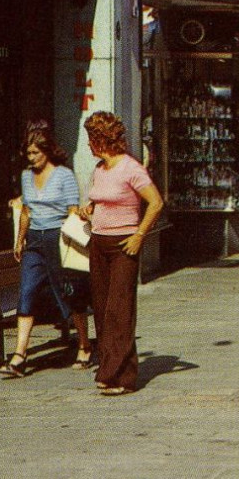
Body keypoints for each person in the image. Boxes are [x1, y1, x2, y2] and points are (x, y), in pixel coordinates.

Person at [80, 111, 163, 396]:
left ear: (101, 139)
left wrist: (139, 235)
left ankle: (121, 376)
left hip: (123, 245)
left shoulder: (130, 168)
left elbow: (155, 202)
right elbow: (97, 202)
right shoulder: (100, 170)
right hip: (98, 243)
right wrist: (88, 210)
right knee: (102, 311)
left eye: (91, 139)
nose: (89, 145)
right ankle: (112, 370)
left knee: (120, 310)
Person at [2, 126, 92, 378]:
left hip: (58, 237)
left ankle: (84, 344)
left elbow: (73, 211)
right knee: (27, 291)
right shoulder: (25, 176)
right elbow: (27, 212)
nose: (31, 158)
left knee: (69, 291)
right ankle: (20, 355)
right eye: (28, 153)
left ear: (47, 152)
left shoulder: (64, 176)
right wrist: (19, 241)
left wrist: (71, 238)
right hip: (35, 241)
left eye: (35, 153)